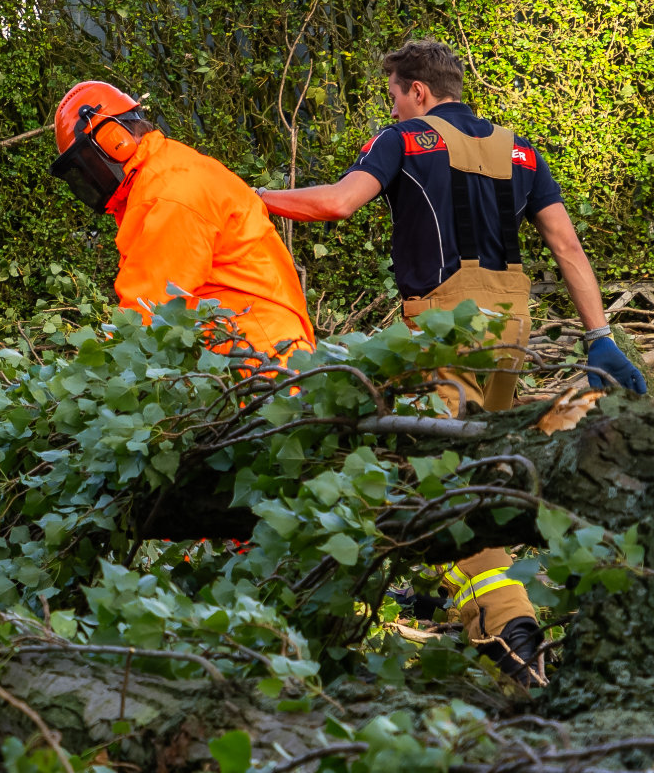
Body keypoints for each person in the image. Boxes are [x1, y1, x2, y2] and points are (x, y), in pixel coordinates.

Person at [260, 38, 647, 683]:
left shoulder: (406, 139)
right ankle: (439, 581)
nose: (394, 105)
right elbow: (567, 244)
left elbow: (336, 203)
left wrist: (254, 197)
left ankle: (508, 625)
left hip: (442, 326)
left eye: (393, 93)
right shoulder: (518, 146)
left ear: (416, 91)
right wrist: (598, 333)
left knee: (435, 471)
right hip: (511, 326)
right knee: (476, 458)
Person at [48, 81, 314, 357]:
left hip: (259, 356)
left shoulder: (169, 193)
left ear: (114, 139)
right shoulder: (160, 177)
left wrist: (94, 372)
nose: (87, 174)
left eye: (86, 162)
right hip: (239, 349)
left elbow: (147, 310)